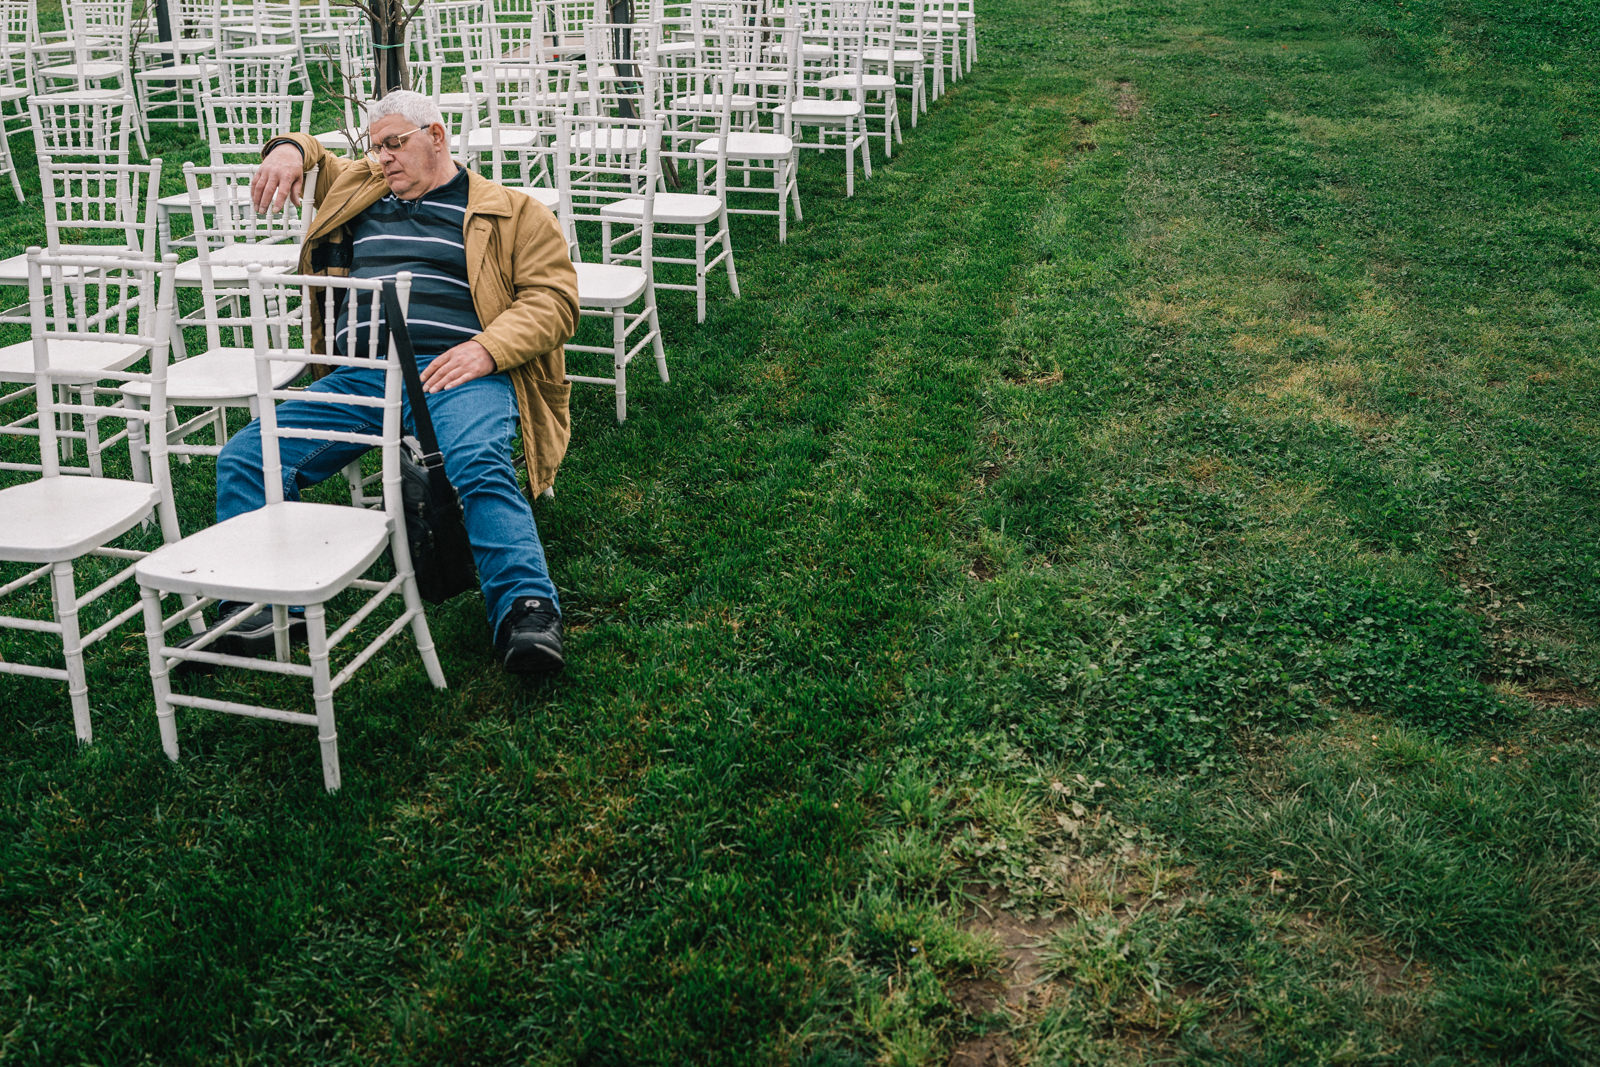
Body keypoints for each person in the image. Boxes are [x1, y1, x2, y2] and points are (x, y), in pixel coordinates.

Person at [189, 89, 580, 677]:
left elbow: (554, 300)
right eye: (375, 147)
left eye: (396, 143)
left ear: (438, 136)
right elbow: (316, 155)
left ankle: (526, 610)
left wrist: (486, 348)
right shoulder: (363, 188)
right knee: (250, 454)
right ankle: (258, 611)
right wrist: (287, 150)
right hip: (365, 378)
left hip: (454, 373)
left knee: (477, 462)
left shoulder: (514, 212)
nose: (384, 158)